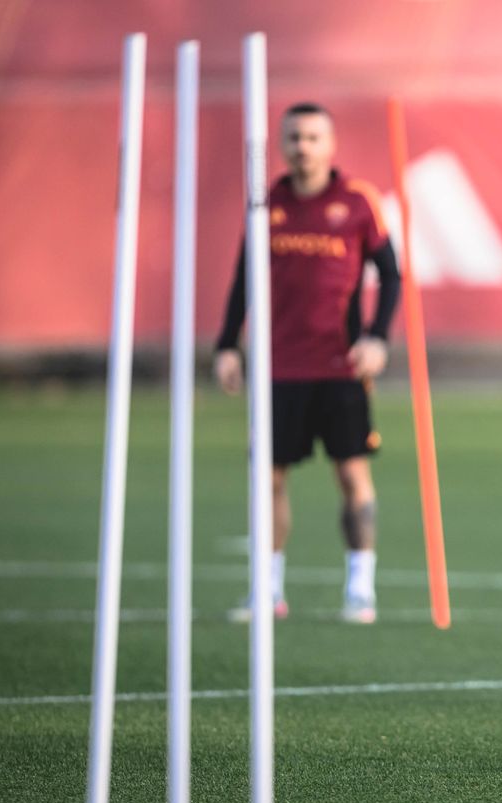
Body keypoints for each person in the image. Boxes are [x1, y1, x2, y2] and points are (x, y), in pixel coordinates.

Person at [215, 102, 401, 625]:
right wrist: (228, 344)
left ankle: (360, 587)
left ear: (330, 144)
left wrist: (377, 338)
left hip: (342, 366)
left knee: (351, 475)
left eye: (313, 137)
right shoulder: (265, 203)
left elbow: (391, 275)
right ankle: (267, 591)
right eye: (294, 137)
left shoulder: (357, 202)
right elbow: (242, 277)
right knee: (269, 479)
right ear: (281, 144)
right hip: (279, 368)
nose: (303, 146)